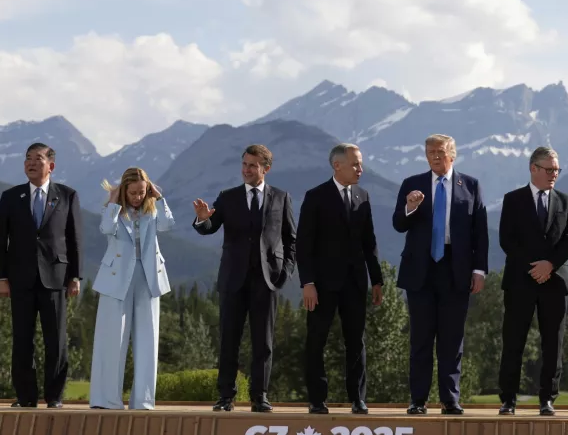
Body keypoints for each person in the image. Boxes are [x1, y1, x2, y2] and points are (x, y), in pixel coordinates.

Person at [193, 144, 297, 413]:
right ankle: (226, 396)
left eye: (252, 165)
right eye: (244, 164)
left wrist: (285, 273)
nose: (246, 170)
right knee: (229, 340)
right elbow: (209, 228)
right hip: (233, 280)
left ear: (266, 168)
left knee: (263, 342)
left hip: (267, 280)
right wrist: (202, 220)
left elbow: (290, 239)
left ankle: (259, 396)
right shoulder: (227, 197)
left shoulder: (281, 197)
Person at [392, 134, 488, 415]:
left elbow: (479, 233)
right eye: (430, 151)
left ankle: (450, 400)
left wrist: (479, 270)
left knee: (451, 339)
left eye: (440, 151)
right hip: (420, 271)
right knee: (420, 339)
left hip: (455, 270)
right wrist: (410, 207)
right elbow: (398, 224)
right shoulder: (412, 184)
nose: (434, 156)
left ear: (452, 154)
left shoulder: (470, 185)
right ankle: (418, 400)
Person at [0, 143, 83, 409]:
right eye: (28, 159)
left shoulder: (67, 196)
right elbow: (0, 239)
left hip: (56, 277)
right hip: (20, 278)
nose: (31, 163)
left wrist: (75, 276)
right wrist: (1, 276)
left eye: (38, 159)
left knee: (56, 339)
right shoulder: (11, 197)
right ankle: (26, 396)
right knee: (22, 339)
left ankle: (54, 396)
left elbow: (75, 239)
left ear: (51, 166)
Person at [297, 144, 385, 414]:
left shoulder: (363, 195)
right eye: (356, 164)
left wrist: (377, 280)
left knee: (356, 342)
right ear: (337, 165)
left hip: (355, 283)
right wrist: (308, 283)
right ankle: (316, 399)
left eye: (361, 164)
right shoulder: (315, 197)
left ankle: (358, 398)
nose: (361, 169)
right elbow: (304, 244)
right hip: (322, 285)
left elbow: (369, 242)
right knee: (316, 340)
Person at [496, 147, 568, 417]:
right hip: (521, 280)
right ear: (533, 168)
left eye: (556, 170)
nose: (554, 174)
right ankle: (508, 400)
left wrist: (549, 265)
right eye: (549, 169)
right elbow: (507, 240)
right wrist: (534, 267)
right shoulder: (512, 200)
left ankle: (548, 399)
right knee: (513, 342)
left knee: (553, 344)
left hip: (555, 282)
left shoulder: (566, 201)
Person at [89, 168, 175, 410]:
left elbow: (168, 225)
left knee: (148, 340)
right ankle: (106, 400)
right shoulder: (112, 210)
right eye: (133, 192)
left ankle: (144, 401)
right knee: (111, 340)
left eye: (142, 192)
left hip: (148, 278)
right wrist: (114, 201)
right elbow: (106, 229)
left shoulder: (153, 209)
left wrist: (159, 197)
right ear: (124, 190)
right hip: (116, 280)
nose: (138, 197)